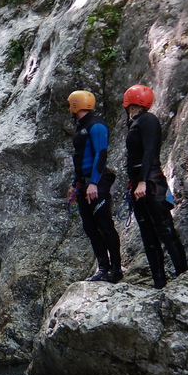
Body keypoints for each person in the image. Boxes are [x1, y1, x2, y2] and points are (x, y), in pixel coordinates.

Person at [123, 84, 188, 289]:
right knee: (148, 233)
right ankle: (159, 281)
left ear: (129, 102)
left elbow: (150, 150)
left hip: (150, 182)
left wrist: (142, 181)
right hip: (139, 183)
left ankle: (183, 275)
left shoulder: (148, 120)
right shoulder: (135, 122)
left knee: (165, 229)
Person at [66, 90, 122, 283]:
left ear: (75, 105)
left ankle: (116, 269)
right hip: (84, 184)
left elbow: (101, 154)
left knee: (105, 225)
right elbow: (80, 160)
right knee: (90, 227)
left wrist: (94, 183)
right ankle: (103, 268)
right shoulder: (81, 127)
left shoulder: (96, 125)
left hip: (97, 182)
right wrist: (75, 184)